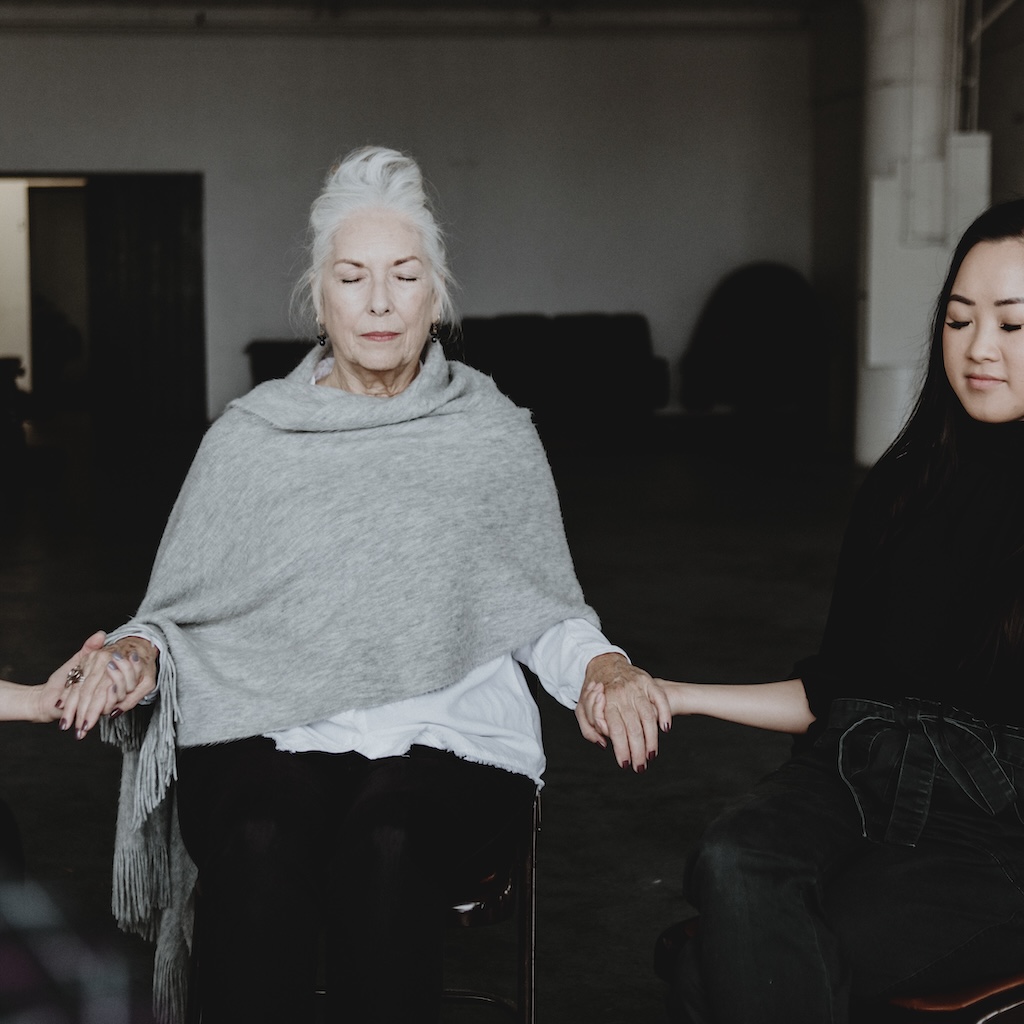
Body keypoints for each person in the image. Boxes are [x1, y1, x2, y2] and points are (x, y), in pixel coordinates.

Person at [54, 146, 668, 1024]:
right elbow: (179, 614)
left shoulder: (489, 433)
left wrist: (604, 669)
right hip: (276, 724)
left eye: (403, 275)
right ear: (319, 295)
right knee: (262, 839)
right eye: (353, 277)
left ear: (437, 293)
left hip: (445, 736)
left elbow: (539, 608)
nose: (379, 301)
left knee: (389, 839)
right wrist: (133, 656)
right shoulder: (251, 437)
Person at [650, 197, 1024, 1024]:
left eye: (1012, 324)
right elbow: (837, 690)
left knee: (721, 969)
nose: (979, 349)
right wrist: (682, 695)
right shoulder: (905, 485)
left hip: (994, 835)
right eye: (959, 321)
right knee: (729, 858)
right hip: (855, 775)